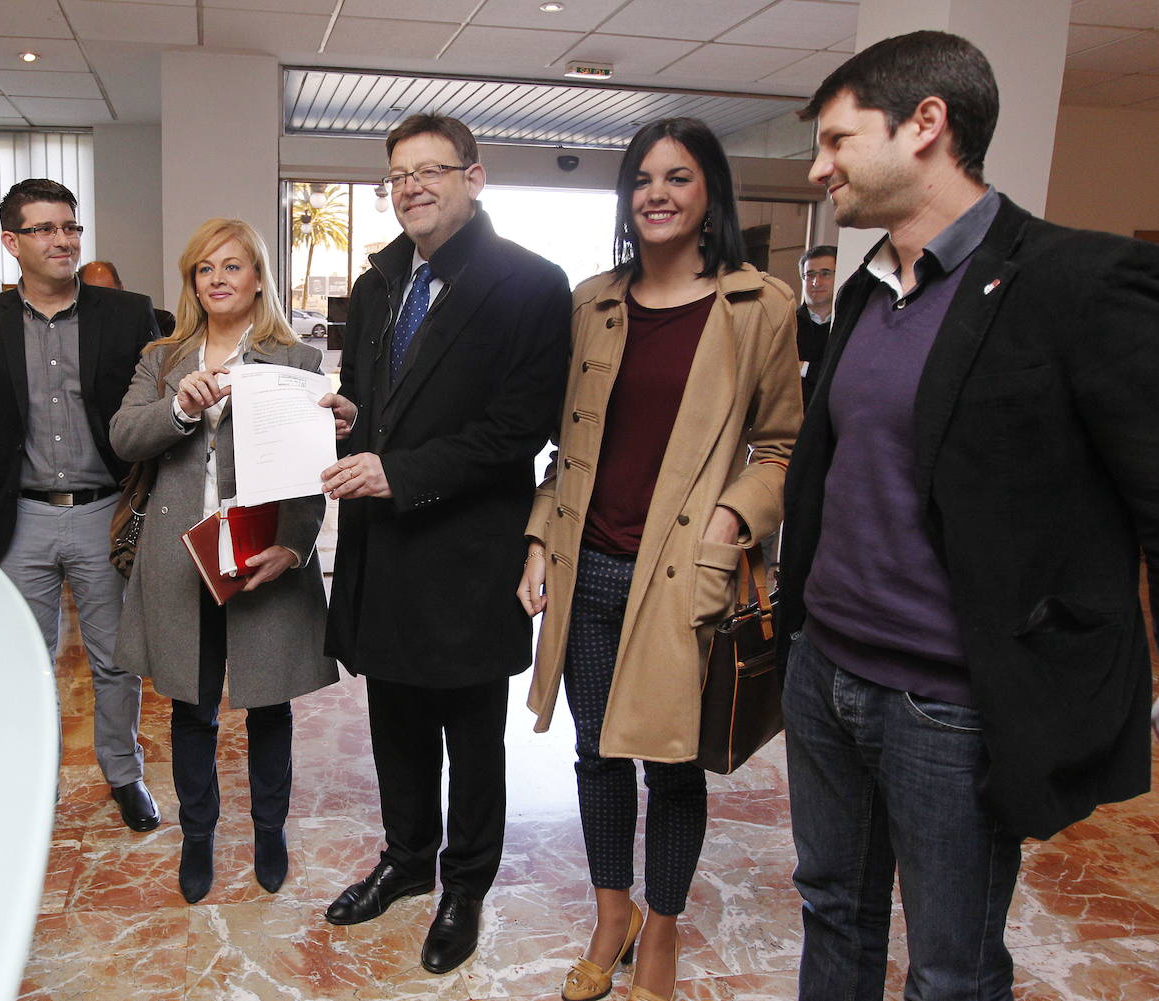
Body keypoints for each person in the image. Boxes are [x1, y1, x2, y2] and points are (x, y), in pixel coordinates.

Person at [777, 31, 1159, 1000]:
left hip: (948, 705)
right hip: (826, 677)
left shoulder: (1076, 282)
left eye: (837, 139)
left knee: (950, 967)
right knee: (832, 909)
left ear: (926, 125)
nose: (819, 169)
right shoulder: (866, 287)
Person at [519, 117, 802, 1001]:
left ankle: (665, 925)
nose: (656, 193)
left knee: (672, 763)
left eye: (677, 177)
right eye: (642, 178)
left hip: (684, 580)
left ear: (709, 191)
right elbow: (563, 446)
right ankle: (613, 913)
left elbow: (784, 446)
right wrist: (537, 533)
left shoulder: (760, 307)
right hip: (588, 565)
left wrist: (732, 518)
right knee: (598, 755)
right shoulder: (593, 301)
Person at [316, 113, 571, 975]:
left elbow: (518, 427)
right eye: (398, 175)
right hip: (383, 547)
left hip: (467, 546)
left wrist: (399, 470)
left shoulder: (531, 285)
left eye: (431, 170)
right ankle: (405, 858)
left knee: (470, 730)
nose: (412, 187)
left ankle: (465, 880)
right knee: (393, 719)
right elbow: (364, 391)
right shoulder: (382, 280)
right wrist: (352, 419)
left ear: (475, 176)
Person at [109, 218, 337, 903]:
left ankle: (271, 830)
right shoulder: (163, 357)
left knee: (270, 706)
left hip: (263, 554)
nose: (217, 279)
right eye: (205, 268)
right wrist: (179, 405)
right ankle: (198, 837)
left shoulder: (294, 360)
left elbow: (309, 472)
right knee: (193, 707)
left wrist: (295, 546)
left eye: (232, 266)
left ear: (258, 277)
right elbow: (123, 437)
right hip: (184, 561)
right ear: (192, 281)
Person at [0, 178, 161, 832]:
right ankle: (29, 779)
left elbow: (152, 417)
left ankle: (123, 773)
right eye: (44, 229)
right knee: (24, 659)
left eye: (70, 225)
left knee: (115, 659)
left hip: (105, 513)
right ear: (12, 242)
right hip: (21, 518)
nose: (63, 239)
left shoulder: (126, 314)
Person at [79, 260, 177, 336]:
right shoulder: (74, 329)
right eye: (94, 294)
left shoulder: (160, 323)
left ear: (121, 289)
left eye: (108, 293)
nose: (101, 300)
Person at [795, 244, 836, 408]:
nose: (816, 282)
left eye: (825, 274)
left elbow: (845, 376)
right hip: (793, 422)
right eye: (810, 275)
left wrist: (804, 367)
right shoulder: (787, 324)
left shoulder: (849, 326)